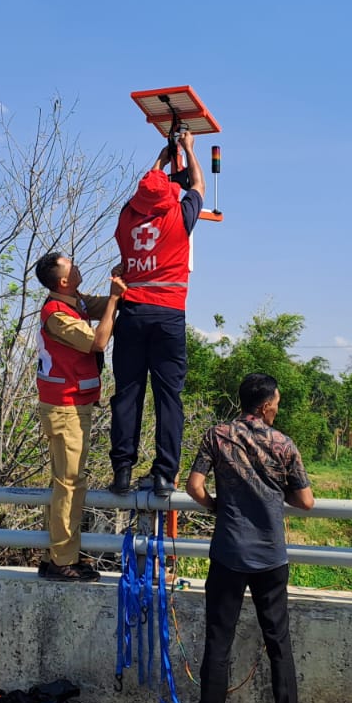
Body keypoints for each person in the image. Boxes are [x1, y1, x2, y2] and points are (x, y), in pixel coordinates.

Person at [172, 372, 312, 703]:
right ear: (266, 405)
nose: (278, 407)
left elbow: (194, 486)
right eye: (277, 402)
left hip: (229, 552)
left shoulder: (218, 436)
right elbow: (306, 501)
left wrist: (216, 506)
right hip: (270, 555)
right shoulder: (283, 445)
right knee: (278, 642)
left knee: (219, 640)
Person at [108, 129, 205, 496]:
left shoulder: (126, 219)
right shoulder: (179, 218)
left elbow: (143, 192)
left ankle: (121, 471)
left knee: (128, 393)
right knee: (169, 397)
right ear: (170, 194)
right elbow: (197, 184)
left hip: (131, 315)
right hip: (167, 316)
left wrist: (160, 162)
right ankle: (165, 475)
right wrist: (189, 150)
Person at [33, 252, 125, 582]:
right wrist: (115, 298)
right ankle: (61, 561)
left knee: (66, 483)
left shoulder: (76, 302)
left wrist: (121, 282)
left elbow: (102, 307)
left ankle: (57, 556)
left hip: (74, 405)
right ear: (63, 280)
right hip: (64, 408)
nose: (77, 264)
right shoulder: (56, 314)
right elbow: (99, 342)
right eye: (71, 264)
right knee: (69, 485)